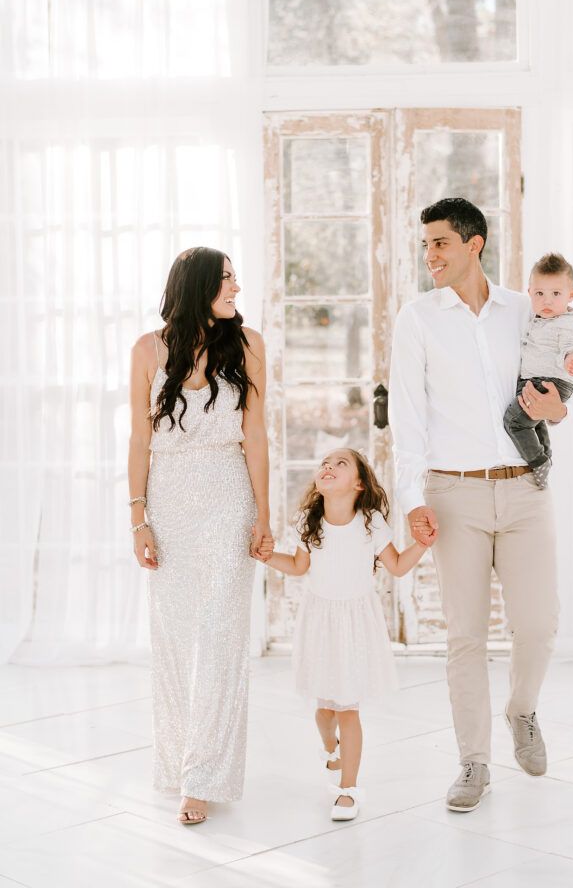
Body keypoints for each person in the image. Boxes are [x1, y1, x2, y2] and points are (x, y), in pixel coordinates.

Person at [389, 198, 565, 813]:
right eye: (426, 245)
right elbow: (406, 419)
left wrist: (558, 408)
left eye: (440, 243)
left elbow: (556, 385)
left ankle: (523, 709)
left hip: (524, 488)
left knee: (538, 625)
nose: (431, 255)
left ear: (475, 244)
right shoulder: (418, 319)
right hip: (453, 492)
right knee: (464, 636)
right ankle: (474, 760)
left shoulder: (523, 309)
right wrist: (412, 499)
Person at [128, 247, 272, 826]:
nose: (237, 287)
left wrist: (264, 515)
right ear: (197, 287)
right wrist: (138, 518)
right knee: (173, 641)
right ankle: (178, 761)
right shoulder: (146, 349)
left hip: (228, 499)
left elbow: (256, 436)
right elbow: (140, 442)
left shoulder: (249, 343)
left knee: (220, 638)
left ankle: (203, 775)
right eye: (227, 279)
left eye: (237, 277)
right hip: (169, 503)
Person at [257, 448, 434, 822]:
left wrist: (422, 544)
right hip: (320, 620)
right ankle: (329, 746)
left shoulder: (370, 523)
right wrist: (266, 557)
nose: (328, 466)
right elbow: (298, 566)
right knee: (324, 711)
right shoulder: (309, 520)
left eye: (340, 463)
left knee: (348, 708)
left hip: (356, 621)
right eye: (324, 462)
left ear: (358, 483)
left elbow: (398, 566)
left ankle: (348, 790)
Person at [504, 252, 573, 489]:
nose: (547, 301)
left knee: (514, 421)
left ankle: (538, 461)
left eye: (556, 294)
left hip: (550, 381)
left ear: (571, 295)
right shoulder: (535, 317)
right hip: (536, 379)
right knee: (535, 420)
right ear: (530, 293)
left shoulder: (568, 323)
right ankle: (547, 453)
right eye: (540, 294)